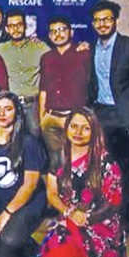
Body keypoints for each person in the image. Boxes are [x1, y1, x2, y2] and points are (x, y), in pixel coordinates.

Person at [36, 108, 129, 257]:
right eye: (74, 127)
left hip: (101, 224)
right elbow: (52, 195)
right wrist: (70, 213)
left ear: (95, 131)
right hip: (70, 219)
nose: (78, 132)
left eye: (85, 128)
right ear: (67, 129)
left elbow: (114, 202)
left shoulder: (106, 163)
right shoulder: (59, 158)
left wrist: (87, 218)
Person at [86, 1, 129, 232]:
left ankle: (124, 221)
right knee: (101, 169)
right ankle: (105, 214)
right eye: (97, 20)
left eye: (107, 19)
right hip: (100, 115)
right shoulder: (90, 49)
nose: (102, 24)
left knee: (125, 170)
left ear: (115, 20)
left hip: (124, 116)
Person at [0, 92, 47, 257]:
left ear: (17, 112)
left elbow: (30, 185)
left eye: (8, 109)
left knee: (9, 241)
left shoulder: (29, 143)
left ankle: (34, 249)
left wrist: (7, 213)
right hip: (2, 202)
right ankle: (19, 240)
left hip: (27, 203)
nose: (2, 113)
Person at [39, 15, 91, 169]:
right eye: (53, 31)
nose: (58, 34)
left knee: (75, 160)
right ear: (49, 36)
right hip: (51, 118)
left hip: (75, 118)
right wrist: (42, 117)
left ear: (71, 32)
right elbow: (43, 89)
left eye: (62, 30)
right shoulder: (46, 57)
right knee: (55, 162)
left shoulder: (84, 54)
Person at [0, 10, 49, 137]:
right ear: (6, 29)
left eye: (19, 25)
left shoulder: (40, 48)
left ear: (25, 26)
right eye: (11, 26)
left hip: (34, 105)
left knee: (36, 140)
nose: (16, 29)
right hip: (11, 105)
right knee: (11, 140)